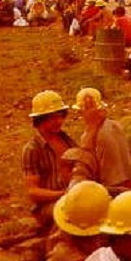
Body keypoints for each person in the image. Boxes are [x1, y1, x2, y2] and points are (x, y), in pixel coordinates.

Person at [21, 90, 76, 225]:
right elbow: (33, 191)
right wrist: (63, 194)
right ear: (41, 120)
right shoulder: (32, 149)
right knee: (74, 212)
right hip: (49, 206)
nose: (59, 121)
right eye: (53, 118)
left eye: (61, 116)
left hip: (74, 197)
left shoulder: (68, 141)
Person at [72, 87, 131, 189]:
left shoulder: (94, 134)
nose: (80, 114)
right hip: (128, 180)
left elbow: (85, 163)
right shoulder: (114, 125)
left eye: (81, 111)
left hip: (112, 187)